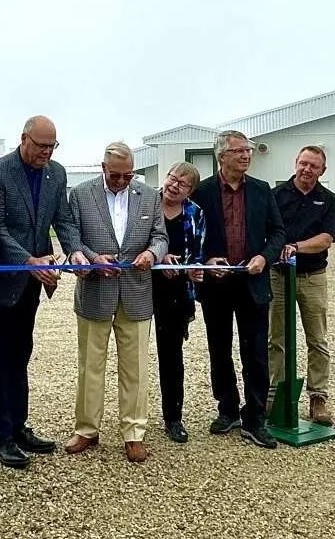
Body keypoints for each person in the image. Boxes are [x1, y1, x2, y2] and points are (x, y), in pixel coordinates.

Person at [0, 115, 84, 469]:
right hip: (2, 284)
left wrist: (75, 251)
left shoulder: (57, 173)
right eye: (41, 146)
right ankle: (1, 436)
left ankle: (19, 425)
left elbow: (63, 220)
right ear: (23, 139)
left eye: (53, 146)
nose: (47, 153)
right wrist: (27, 260)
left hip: (31, 286)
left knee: (21, 354)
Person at [63, 141, 168, 463]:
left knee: (135, 367)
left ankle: (134, 433)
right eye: (115, 176)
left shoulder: (149, 195)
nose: (122, 181)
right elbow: (72, 237)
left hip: (136, 292)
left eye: (128, 175)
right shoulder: (80, 195)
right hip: (95, 291)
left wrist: (152, 254)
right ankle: (86, 429)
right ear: (103, 168)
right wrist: (93, 259)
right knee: (90, 365)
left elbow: (160, 237)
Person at [191, 129, 286, 449]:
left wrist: (264, 257)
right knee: (219, 350)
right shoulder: (201, 192)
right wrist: (204, 262)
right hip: (216, 286)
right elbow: (189, 236)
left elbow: (278, 233)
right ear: (222, 156)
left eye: (248, 150)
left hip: (253, 282)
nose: (246, 155)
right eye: (239, 151)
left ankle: (255, 417)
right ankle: (227, 409)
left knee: (256, 352)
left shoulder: (261, 191)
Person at [268, 145, 335, 426]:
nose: (307, 169)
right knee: (277, 339)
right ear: (295, 163)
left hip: (312, 277)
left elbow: (325, 239)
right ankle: (276, 396)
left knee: (317, 339)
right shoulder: (276, 196)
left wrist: (295, 247)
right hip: (278, 276)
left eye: (314, 166)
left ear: (322, 170)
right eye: (303, 163)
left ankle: (317, 398)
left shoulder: (329, 200)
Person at [151, 162, 206, 444]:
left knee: (171, 357)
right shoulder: (146, 202)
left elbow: (198, 253)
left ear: (190, 191)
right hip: (140, 286)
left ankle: (173, 417)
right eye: (173, 178)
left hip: (175, 292)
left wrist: (191, 269)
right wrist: (157, 257)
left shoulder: (195, 214)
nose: (174, 185)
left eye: (182, 184)